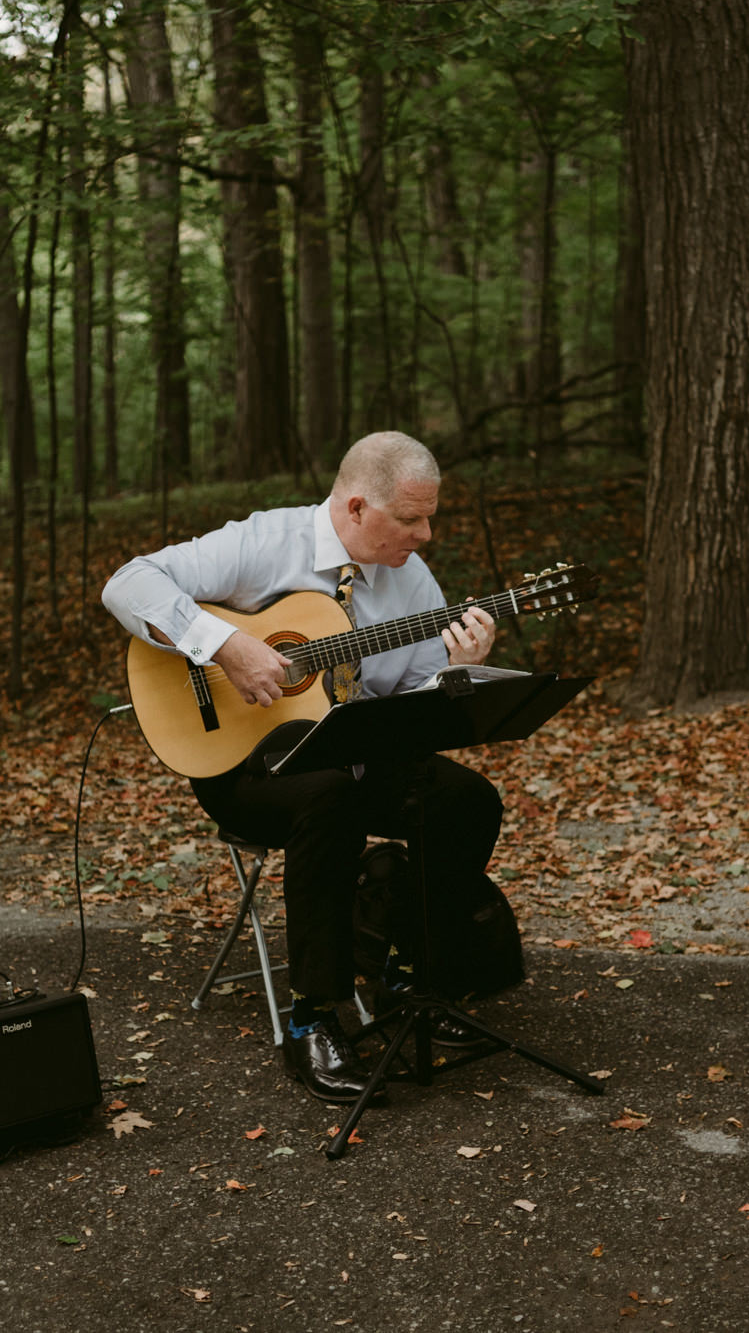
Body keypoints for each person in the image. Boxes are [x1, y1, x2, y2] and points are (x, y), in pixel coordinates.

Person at [101, 431, 515, 1103]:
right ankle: (312, 1019)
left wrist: (455, 675)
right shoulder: (268, 542)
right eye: (410, 519)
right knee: (329, 798)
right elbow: (127, 583)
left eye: (430, 515)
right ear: (356, 508)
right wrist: (226, 643)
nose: (426, 532)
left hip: (352, 754)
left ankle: (409, 979)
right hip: (240, 762)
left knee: (467, 799)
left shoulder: (412, 580)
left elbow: (404, 715)